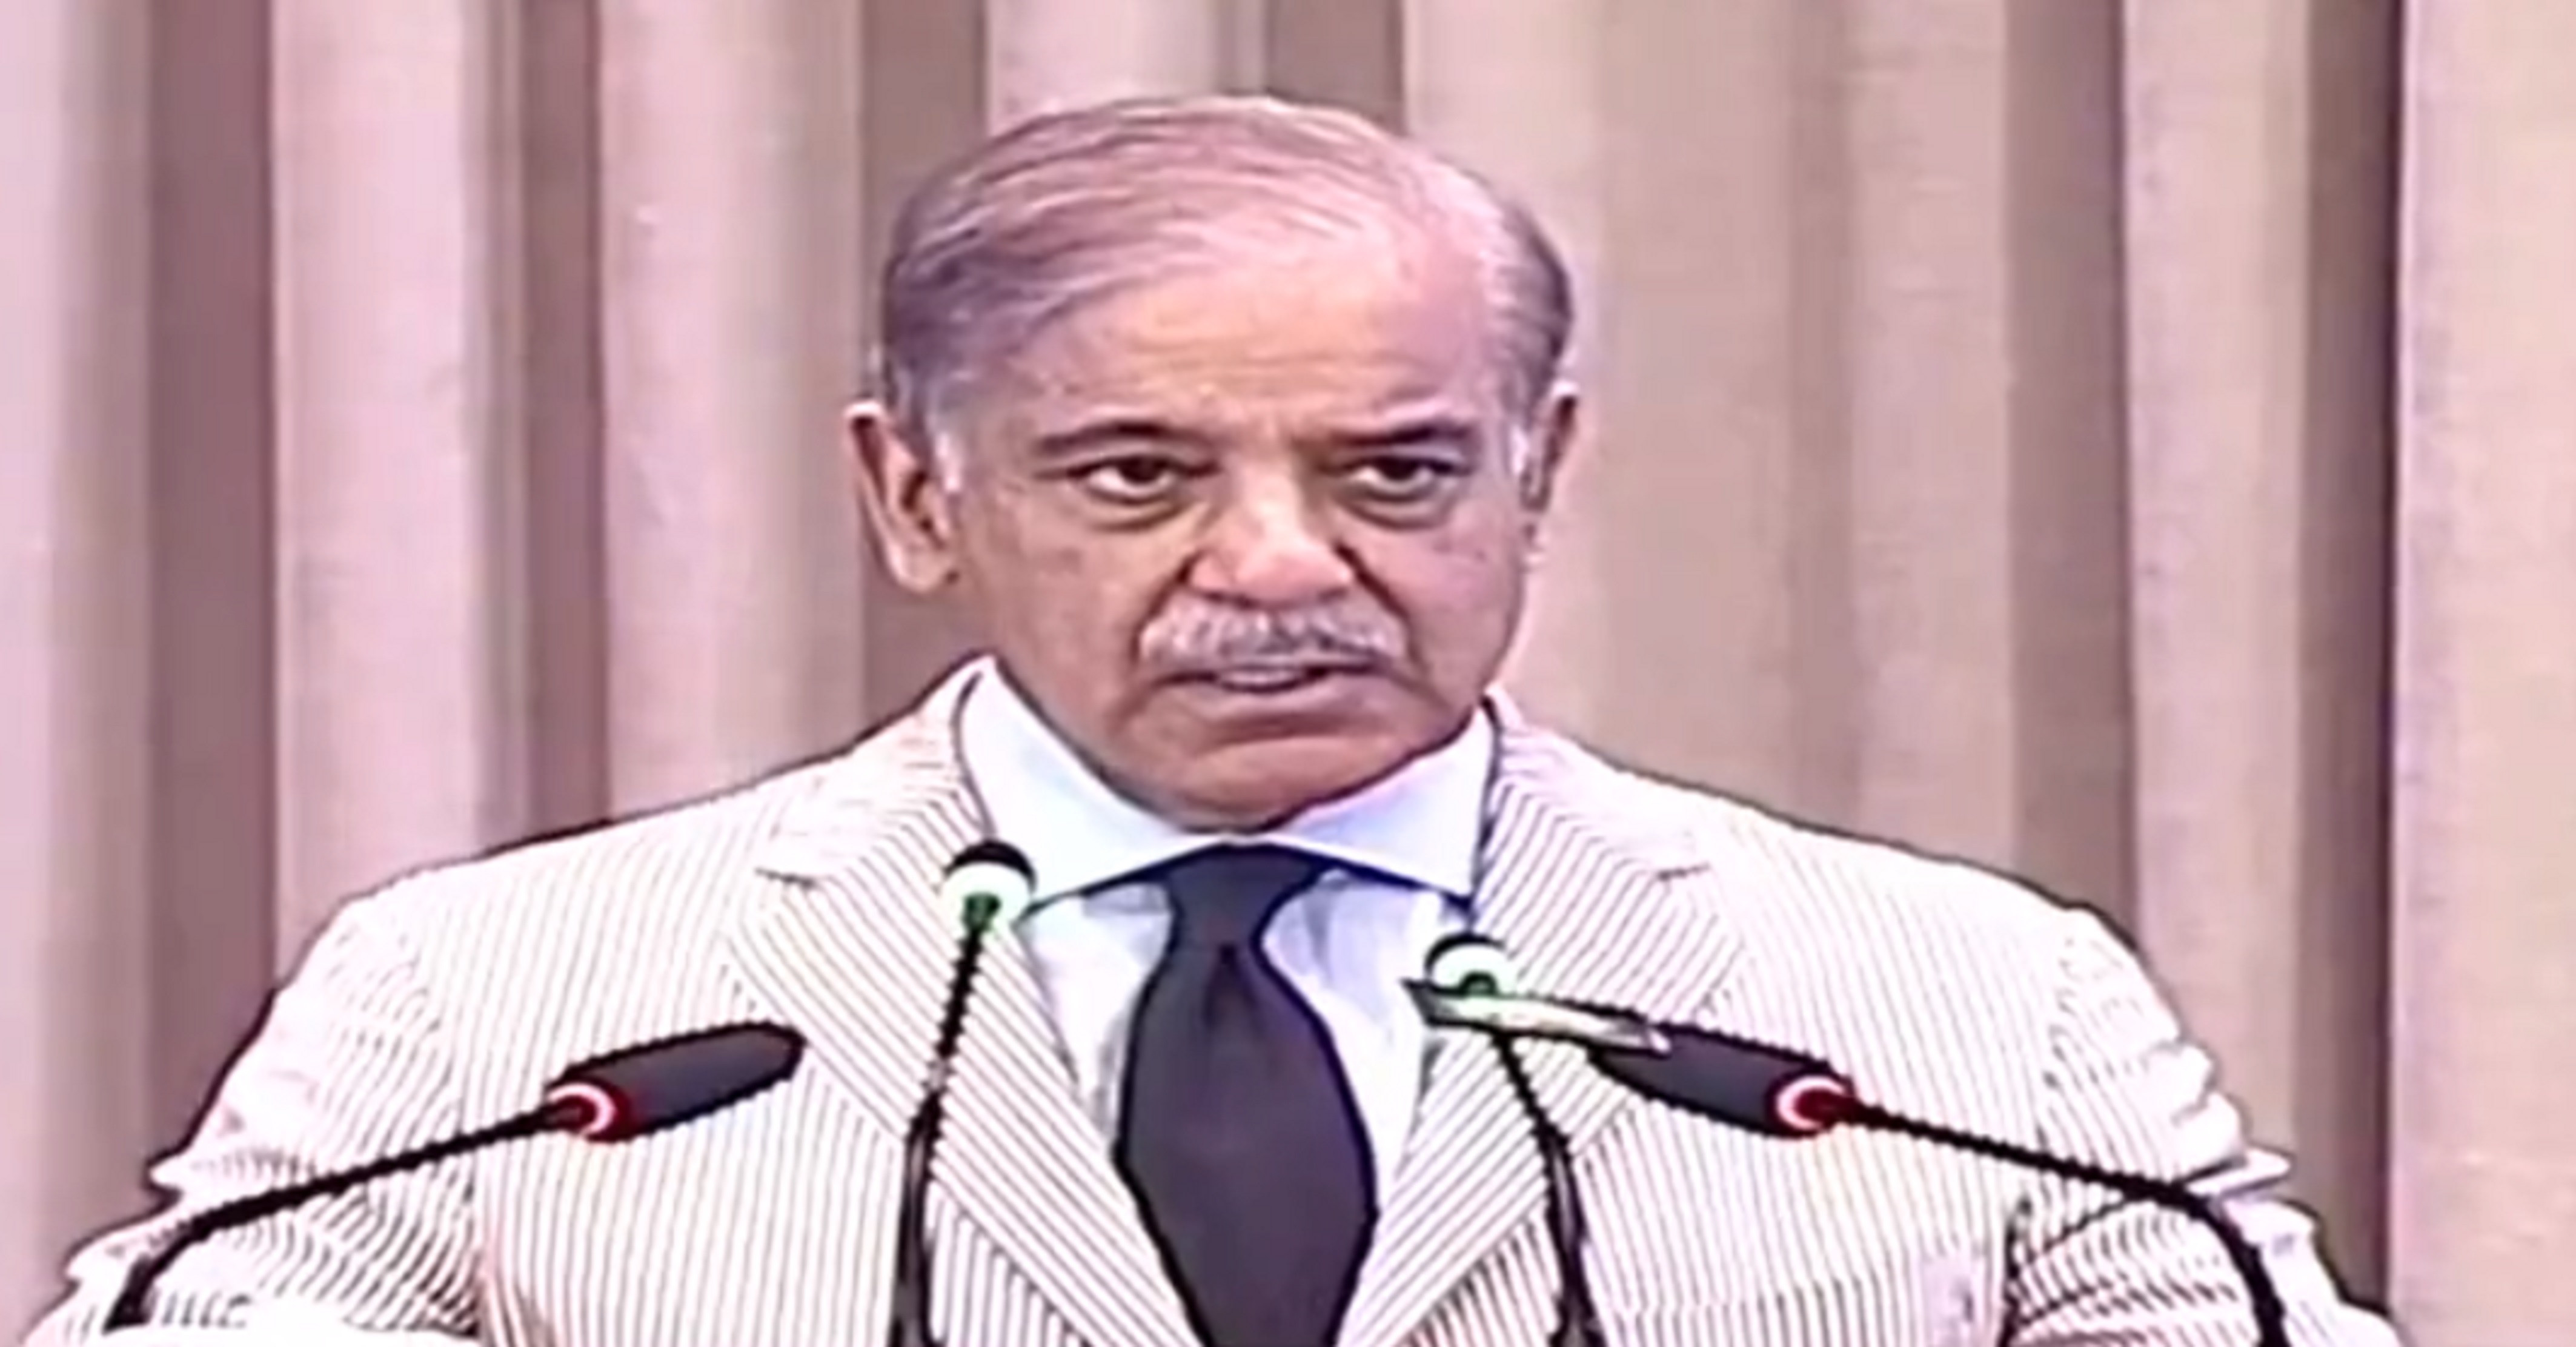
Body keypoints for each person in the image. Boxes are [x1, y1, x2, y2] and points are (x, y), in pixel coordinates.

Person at [21, 94, 2398, 1347]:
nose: (1280, 566)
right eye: (1138, 475)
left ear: (1535, 470)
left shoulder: (1951, 1014)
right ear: (913, 494)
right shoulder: (517, 1006)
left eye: (1394, 470)